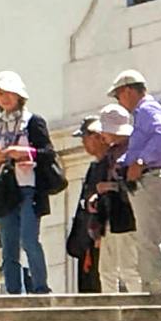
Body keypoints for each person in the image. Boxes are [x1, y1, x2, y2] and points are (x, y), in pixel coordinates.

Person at [0, 71, 62, 296]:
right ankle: (13, 291)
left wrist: (26, 152)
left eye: (9, 93)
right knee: (8, 247)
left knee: (29, 239)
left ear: (19, 95)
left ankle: (40, 288)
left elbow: (48, 153)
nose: (5, 98)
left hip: (30, 188)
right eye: (0, 93)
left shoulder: (33, 122)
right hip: (6, 192)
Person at [109, 69, 161, 294]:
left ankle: (157, 289)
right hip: (149, 178)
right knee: (147, 237)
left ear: (127, 90)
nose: (119, 101)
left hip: (151, 178)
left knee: (149, 238)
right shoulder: (143, 112)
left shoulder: (147, 109)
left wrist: (140, 160)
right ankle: (152, 286)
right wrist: (125, 161)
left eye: (118, 95)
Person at [67, 113, 138, 296]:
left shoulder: (121, 157)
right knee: (106, 272)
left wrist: (108, 188)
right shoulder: (97, 166)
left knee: (129, 269)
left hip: (123, 220)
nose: (83, 143)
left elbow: (131, 187)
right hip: (104, 227)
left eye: (86, 137)